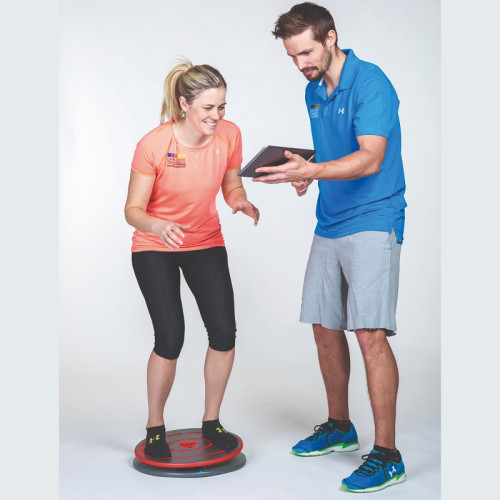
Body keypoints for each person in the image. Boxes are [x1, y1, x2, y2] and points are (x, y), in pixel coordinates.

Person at [254, 2, 407, 493]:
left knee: (369, 333)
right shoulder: (313, 90)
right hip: (331, 219)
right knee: (323, 326)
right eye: (292, 56)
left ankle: (388, 455)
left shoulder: (372, 82)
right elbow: (339, 150)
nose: (300, 64)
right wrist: (306, 170)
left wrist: (313, 171)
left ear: (330, 37)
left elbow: (370, 157)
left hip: (374, 217)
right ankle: (340, 426)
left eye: (306, 52)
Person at [124, 59, 259, 457]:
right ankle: (155, 426)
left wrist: (240, 201)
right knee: (170, 337)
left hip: (204, 240)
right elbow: (132, 210)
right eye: (208, 108)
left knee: (224, 332)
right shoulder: (154, 144)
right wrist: (157, 225)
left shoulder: (229, 135)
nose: (217, 116)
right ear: (184, 104)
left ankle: (211, 421)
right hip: (156, 245)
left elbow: (231, 185)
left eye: (222, 107)